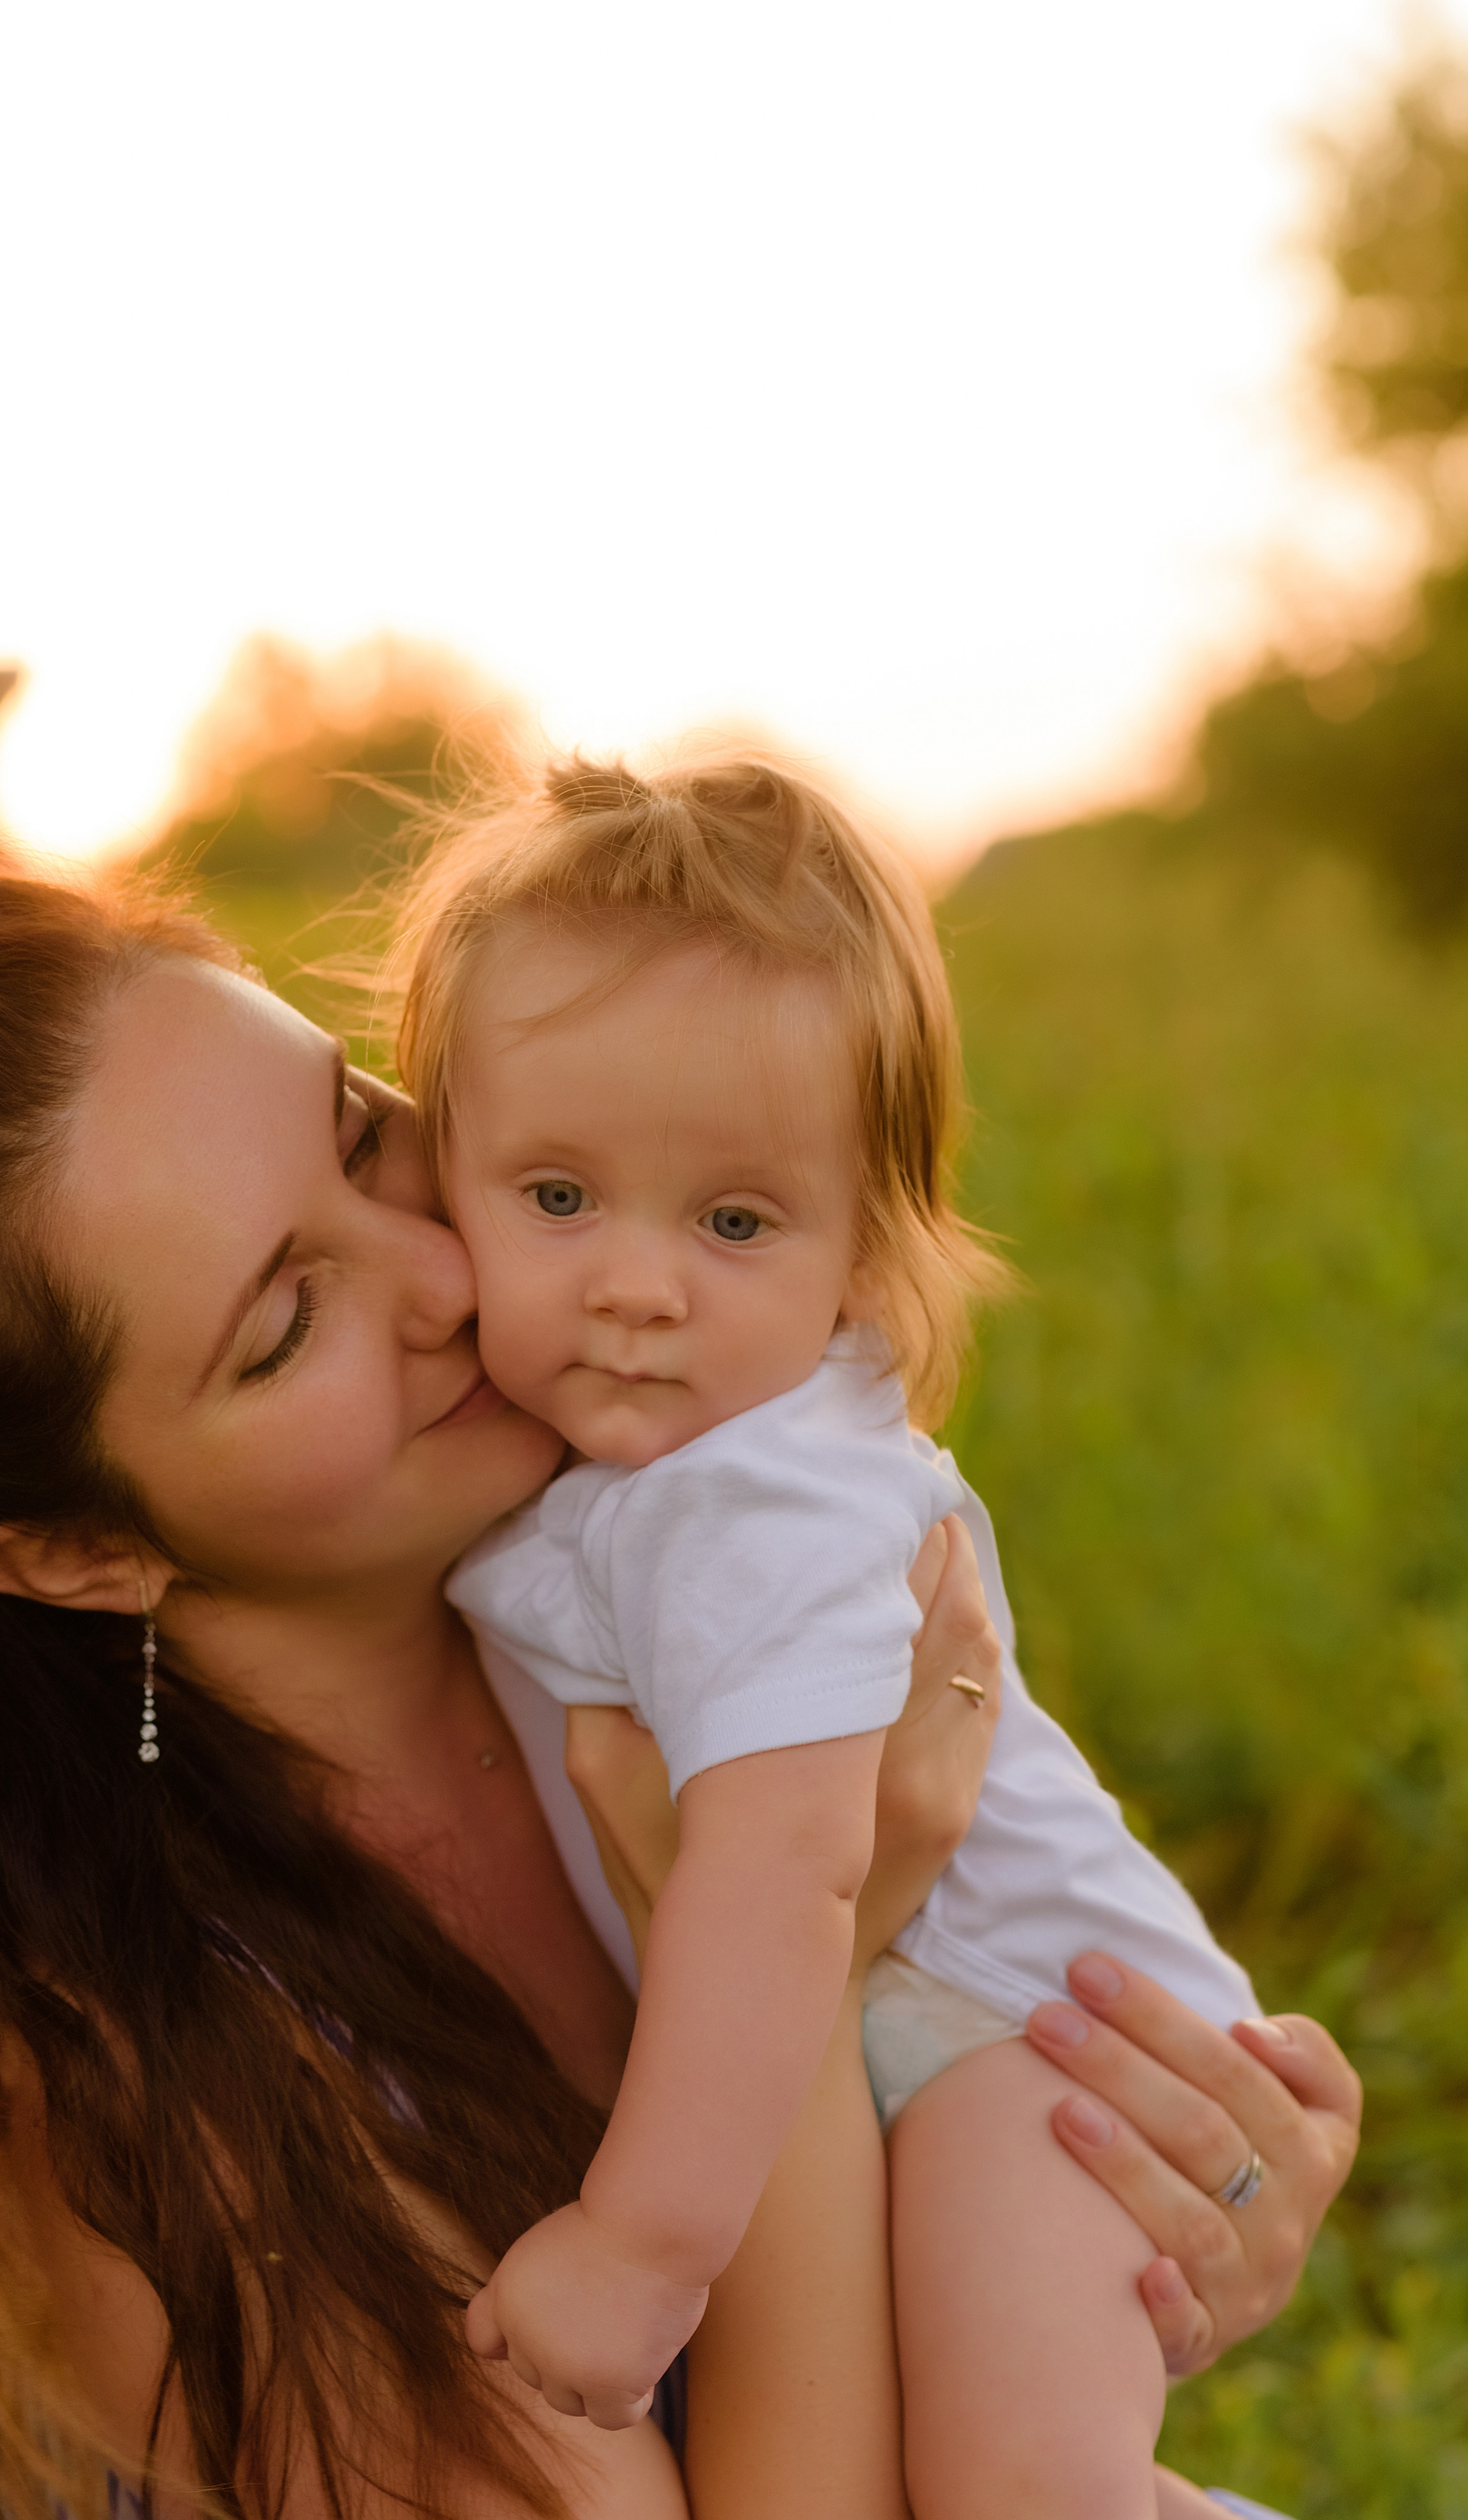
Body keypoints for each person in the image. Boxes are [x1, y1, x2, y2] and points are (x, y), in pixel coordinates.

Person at [0, 852, 1358, 2520]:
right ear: (82, 1552)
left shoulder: (631, 1570)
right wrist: (806, 1981)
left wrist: (1163, 2193)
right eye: (288, 1323)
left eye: (361, 1133)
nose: (447, 1275)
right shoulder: (133, 2072)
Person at [395, 752, 1292, 2518]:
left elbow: (788, 1869)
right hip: (898, 2040)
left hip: (1029, 2040)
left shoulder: (765, 1496)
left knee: (1023, 2484)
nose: (636, 1286)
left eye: (734, 1221)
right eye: (556, 1197)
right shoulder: (609, 1462)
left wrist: (640, 2246)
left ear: (866, 1261)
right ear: (443, 1179)